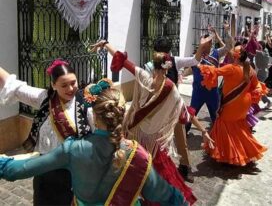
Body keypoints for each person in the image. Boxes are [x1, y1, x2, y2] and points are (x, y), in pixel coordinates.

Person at [0, 79, 187, 205]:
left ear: (94, 117)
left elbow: (16, 170)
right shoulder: (138, 155)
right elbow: (168, 197)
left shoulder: (73, 150)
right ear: (122, 115)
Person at [91, 41, 215, 205]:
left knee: (142, 175)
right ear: (161, 68)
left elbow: (185, 113)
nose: (156, 73)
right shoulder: (157, 83)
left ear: (160, 68)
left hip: (144, 140)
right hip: (142, 139)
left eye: (157, 69)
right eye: (156, 69)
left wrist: (106, 45)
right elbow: (187, 114)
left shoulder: (161, 85)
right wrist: (106, 45)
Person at [0, 60, 94, 205]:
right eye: (64, 85)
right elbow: (16, 87)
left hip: (72, 174)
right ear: (53, 85)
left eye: (73, 82)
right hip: (44, 170)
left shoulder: (86, 106)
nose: (70, 88)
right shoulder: (45, 99)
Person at [144, 37, 205, 183]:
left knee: (180, 137)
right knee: (158, 139)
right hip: (158, 107)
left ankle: (184, 167)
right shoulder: (149, 66)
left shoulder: (175, 61)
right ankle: (154, 168)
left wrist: (201, 47)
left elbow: (194, 61)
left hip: (173, 106)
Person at [199, 46, 267, 167]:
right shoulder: (250, 69)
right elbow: (257, 86)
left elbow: (215, 71)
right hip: (245, 103)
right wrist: (254, 95)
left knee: (224, 124)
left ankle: (228, 154)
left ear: (235, 56)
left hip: (232, 103)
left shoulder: (231, 68)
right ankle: (245, 151)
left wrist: (200, 66)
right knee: (238, 127)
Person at [186, 23, 233, 133]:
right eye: (203, 42)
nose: (204, 44)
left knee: (215, 115)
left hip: (212, 92)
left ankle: (219, 134)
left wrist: (227, 32)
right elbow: (191, 69)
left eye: (207, 42)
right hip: (198, 91)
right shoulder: (196, 55)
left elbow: (228, 47)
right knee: (191, 113)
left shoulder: (216, 53)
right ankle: (184, 131)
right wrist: (182, 75)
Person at [255, 41, 272, 109]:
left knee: (258, 88)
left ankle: (268, 102)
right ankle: (267, 102)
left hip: (262, 72)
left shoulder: (263, 52)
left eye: (258, 45)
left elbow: (261, 54)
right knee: (259, 88)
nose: (257, 46)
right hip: (262, 72)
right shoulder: (265, 51)